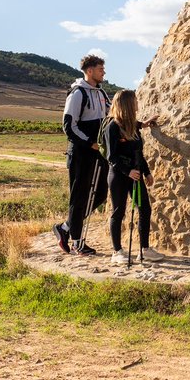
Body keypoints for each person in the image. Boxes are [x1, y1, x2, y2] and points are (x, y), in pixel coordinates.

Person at [55, 54, 110, 255]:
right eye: (100, 69)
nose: (103, 72)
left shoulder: (101, 93)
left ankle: (66, 227)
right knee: (78, 197)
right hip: (81, 153)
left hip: (98, 152)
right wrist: (89, 143)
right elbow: (69, 126)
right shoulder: (78, 93)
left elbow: (112, 117)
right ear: (89, 71)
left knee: (102, 193)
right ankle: (77, 243)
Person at [104, 89, 162, 265]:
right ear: (127, 104)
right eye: (135, 101)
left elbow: (138, 153)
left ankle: (144, 250)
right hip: (119, 176)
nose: (137, 104)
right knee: (118, 212)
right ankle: (117, 251)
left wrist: (147, 172)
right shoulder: (112, 127)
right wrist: (127, 171)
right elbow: (111, 156)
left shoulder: (133, 126)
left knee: (144, 208)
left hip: (135, 177)